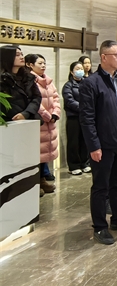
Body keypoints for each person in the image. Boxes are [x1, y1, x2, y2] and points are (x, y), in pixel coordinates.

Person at [79, 40, 117, 245]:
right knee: (101, 186)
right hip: (103, 144)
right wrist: (94, 146)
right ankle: (99, 226)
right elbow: (87, 119)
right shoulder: (91, 83)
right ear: (104, 57)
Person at [0, 46, 43, 196]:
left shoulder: (28, 76)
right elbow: (5, 104)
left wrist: (26, 113)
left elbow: (36, 97)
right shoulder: (2, 79)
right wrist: (18, 115)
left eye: (21, 54)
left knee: (29, 159)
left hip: (29, 123)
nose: (21, 57)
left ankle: (31, 187)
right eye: (17, 54)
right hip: (10, 125)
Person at [25, 54, 60, 193]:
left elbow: (56, 98)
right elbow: (34, 101)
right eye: (40, 63)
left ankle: (42, 180)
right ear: (30, 65)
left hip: (50, 122)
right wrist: (46, 115)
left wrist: (55, 113)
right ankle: (34, 183)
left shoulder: (48, 80)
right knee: (36, 153)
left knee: (45, 152)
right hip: (39, 121)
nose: (43, 65)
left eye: (44, 63)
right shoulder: (29, 80)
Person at [62, 62, 91, 175]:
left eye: (81, 68)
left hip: (86, 117)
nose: (80, 71)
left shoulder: (87, 83)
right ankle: (74, 165)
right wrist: (83, 108)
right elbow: (69, 100)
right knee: (74, 142)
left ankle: (85, 163)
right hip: (74, 117)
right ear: (71, 72)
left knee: (85, 141)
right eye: (77, 69)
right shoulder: (68, 85)